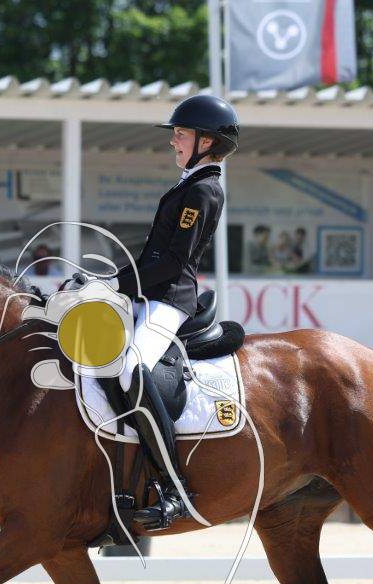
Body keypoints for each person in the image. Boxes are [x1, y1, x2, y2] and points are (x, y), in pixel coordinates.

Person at [108, 93, 239, 530]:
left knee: (132, 368)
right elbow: (151, 257)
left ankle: (172, 487)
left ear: (206, 141)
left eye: (181, 134)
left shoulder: (203, 190)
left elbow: (170, 262)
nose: (173, 141)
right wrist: (107, 282)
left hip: (169, 300)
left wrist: (117, 285)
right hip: (149, 295)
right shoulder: (188, 185)